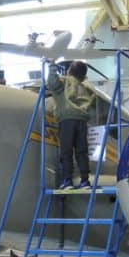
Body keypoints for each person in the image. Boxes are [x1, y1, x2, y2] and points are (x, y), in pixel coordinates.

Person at [47, 60, 95, 190]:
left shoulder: (66, 81)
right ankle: (85, 181)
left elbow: (52, 83)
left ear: (69, 71)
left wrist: (52, 67)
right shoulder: (85, 88)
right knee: (81, 151)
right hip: (82, 121)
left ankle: (67, 181)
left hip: (67, 120)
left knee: (66, 151)